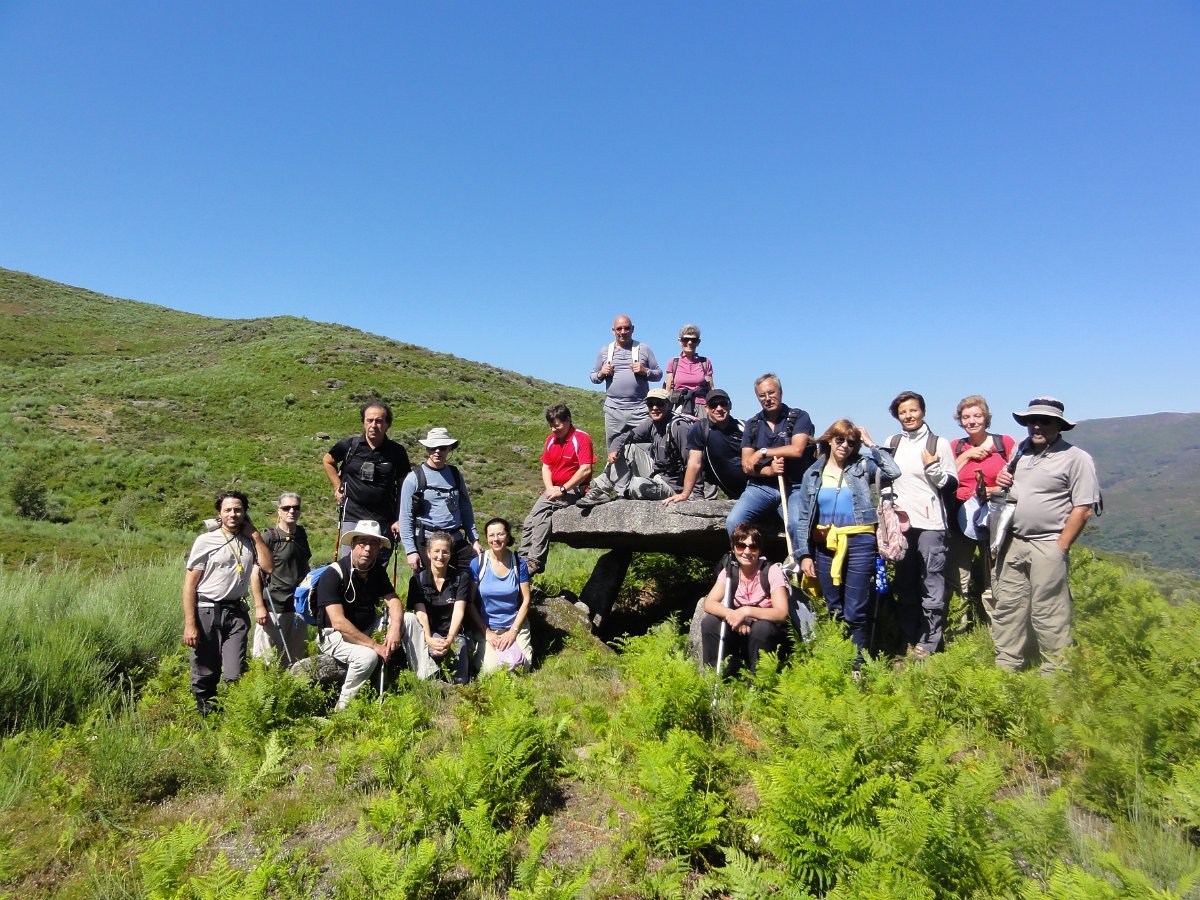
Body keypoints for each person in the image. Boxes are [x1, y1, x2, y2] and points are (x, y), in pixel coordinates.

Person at [992, 397, 1100, 674]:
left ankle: (1056, 672)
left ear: (1059, 425)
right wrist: (1002, 480)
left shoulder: (1076, 458)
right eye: (1031, 421)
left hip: (1048, 543)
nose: (1037, 426)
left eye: (1045, 421)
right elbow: (1008, 489)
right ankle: (1006, 666)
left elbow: (1083, 508)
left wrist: (1060, 547)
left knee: (1049, 610)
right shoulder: (1020, 451)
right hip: (1014, 541)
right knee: (1008, 606)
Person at [788, 420, 901, 673]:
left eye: (851, 442)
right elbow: (804, 517)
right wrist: (804, 554)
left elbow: (893, 471)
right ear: (829, 440)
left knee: (856, 608)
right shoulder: (813, 474)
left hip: (861, 542)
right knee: (834, 606)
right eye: (840, 440)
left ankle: (857, 665)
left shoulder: (862, 466)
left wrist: (870, 444)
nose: (845, 446)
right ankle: (840, 658)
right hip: (825, 545)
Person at [181, 490, 273, 715]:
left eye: (238, 510)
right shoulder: (205, 541)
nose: (233, 514)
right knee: (205, 669)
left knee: (235, 671)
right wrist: (190, 624)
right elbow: (190, 585)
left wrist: (256, 536)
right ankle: (207, 716)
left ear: (245, 512)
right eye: (228, 510)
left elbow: (268, 567)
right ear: (220, 513)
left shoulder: (250, 540)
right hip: (207, 610)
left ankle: (232, 714)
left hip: (236, 612)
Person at [885, 390, 957, 660]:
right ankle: (908, 636)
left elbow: (950, 484)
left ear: (923, 412)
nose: (908, 416)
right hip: (901, 526)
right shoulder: (892, 443)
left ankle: (928, 641)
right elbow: (885, 479)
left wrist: (933, 469)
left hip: (931, 524)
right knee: (905, 583)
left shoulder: (938, 444)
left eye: (913, 410)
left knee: (931, 582)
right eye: (902, 412)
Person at [313, 520, 402, 710]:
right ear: (353, 544)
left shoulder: (376, 571)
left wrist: (395, 628)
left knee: (408, 620)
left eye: (373, 543)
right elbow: (338, 622)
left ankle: (421, 678)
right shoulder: (333, 574)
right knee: (367, 657)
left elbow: (393, 601)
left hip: (365, 629)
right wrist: (375, 646)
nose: (367, 549)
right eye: (362, 542)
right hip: (334, 636)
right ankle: (344, 709)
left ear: (379, 548)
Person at [947, 395, 1017, 626]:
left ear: (986, 418)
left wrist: (994, 490)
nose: (972, 421)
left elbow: (1019, 477)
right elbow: (945, 478)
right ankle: (958, 629)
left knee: (995, 575)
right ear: (960, 420)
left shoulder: (1003, 443)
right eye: (966, 417)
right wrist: (967, 456)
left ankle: (1000, 629)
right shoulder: (956, 447)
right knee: (958, 576)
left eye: (977, 415)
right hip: (960, 518)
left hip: (996, 517)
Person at [577, 388, 708, 506]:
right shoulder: (652, 423)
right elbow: (625, 437)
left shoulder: (679, 427)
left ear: (668, 405)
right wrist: (613, 450)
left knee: (636, 485)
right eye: (650, 404)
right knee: (625, 449)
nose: (654, 408)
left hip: (673, 485)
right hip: (657, 473)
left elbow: (694, 462)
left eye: (659, 403)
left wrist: (695, 494)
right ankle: (602, 490)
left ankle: (624, 492)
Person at [726, 373, 814, 536]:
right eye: (762, 395)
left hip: (794, 487)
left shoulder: (799, 417)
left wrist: (762, 452)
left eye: (771, 393)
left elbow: (797, 450)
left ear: (781, 392)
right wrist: (770, 471)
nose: (767, 398)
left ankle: (800, 553)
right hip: (761, 487)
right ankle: (743, 553)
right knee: (734, 521)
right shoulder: (753, 424)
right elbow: (747, 466)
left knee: (796, 524)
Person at [700, 524, 790, 676]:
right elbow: (709, 603)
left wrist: (745, 611)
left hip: (765, 634)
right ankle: (718, 675)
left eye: (753, 547)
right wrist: (733, 615)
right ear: (734, 548)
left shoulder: (771, 571)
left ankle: (758, 679)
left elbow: (782, 613)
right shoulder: (729, 572)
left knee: (762, 628)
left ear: (759, 550)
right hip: (738, 629)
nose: (747, 552)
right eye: (741, 546)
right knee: (710, 623)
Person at [517, 404, 596, 576]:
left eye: (557, 425)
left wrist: (563, 489)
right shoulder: (551, 440)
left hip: (575, 490)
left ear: (568, 421)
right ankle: (521, 560)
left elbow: (585, 470)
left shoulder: (581, 438)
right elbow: (546, 467)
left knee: (541, 512)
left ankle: (535, 560)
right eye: (551, 426)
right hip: (554, 489)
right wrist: (550, 489)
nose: (554, 429)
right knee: (529, 520)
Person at [322, 402, 411, 553]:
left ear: (387, 424)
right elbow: (328, 460)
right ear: (363, 422)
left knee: (378, 564)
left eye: (379, 421)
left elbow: (404, 486)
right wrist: (337, 486)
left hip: (384, 518)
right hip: (352, 515)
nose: (373, 425)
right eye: (369, 420)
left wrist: (399, 519)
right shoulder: (349, 446)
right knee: (350, 561)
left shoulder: (397, 451)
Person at [399, 427, 481, 573]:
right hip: (426, 541)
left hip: (455, 540)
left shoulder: (455, 474)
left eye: (442, 448)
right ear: (427, 449)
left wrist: (475, 540)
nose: (437, 451)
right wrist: (411, 551)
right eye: (433, 447)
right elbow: (406, 517)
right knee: (428, 582)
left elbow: (466, 508)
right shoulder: (414, 478)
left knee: (477, 569)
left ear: (450, 449)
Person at [402, 531, 471, 684]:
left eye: (445, 552)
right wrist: (428, 638)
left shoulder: (461, 578)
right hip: (430, 632)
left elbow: (459, 611)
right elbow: (421, 612)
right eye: (436, 551)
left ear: (450, 554)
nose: (440, 556)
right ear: (428, 553)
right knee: (433, 655)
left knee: (460, 681)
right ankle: (429, 679)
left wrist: (450, 639)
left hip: (454, 633)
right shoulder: (417, 579)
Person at [468, 518, 534, 675]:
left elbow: (526, 600)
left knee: (521, 667)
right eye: (491, 535)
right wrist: (486, 632)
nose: (496, 539)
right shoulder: (478, 564)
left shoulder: (519, 564)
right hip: (487, 627)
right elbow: (469, 602)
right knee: (491, 671)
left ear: (508, 536)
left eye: (500, 534)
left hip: (514, 625)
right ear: (486, 538)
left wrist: (513, 631)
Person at [252, 492, 311, 666]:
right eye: (286, 508)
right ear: (279, 511)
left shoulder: (301, 535)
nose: (291, 511)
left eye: (296, 508)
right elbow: (255, 574)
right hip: (273, 608)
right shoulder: (270, 537)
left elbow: (305, 566)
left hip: (298, 607)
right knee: (266, 661)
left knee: (294, 660)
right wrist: (259, 607)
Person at [588, 314, 663, 451]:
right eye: (619, 329)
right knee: (614, 451)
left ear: (633, 329)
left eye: (626, 328)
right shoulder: (605, 351)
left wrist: (645, 371)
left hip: (640, 410)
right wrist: (601, 373)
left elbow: (658, 374)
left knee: (645, 448)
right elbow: (593, 376)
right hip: (613, 411)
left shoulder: (644, 349)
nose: (623, 332)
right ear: (613, 331)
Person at [661, 388, 747, 504]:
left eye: (723, 403)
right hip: (737, 495)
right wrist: (685, 494)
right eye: (713, 405)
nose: (719, 408)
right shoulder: (700, 429)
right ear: (706, 408)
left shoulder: (744, 427)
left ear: (730, 405)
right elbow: (694, 463)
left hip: (759, 486)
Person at [663, 323, 714, 416]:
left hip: (701, 408)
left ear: (698, 342)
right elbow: (667, 391)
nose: (689, 342)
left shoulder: (705, 362)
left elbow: (711, 389)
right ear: (680, 341)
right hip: (678, 406)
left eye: (693, 340)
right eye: (686, 339)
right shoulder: (673, 363)